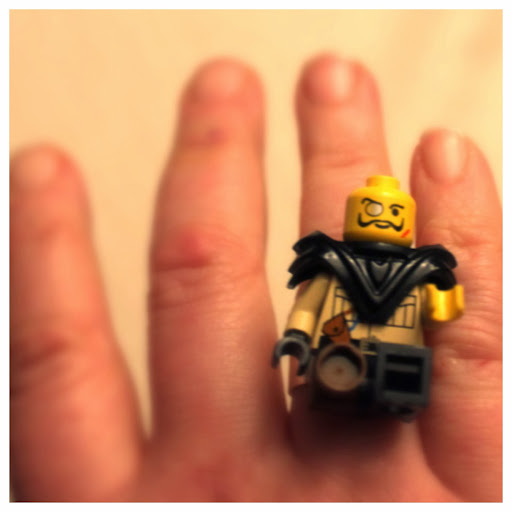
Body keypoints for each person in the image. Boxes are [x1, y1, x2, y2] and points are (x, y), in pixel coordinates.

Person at [10, 55, 502, 501]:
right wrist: (297, 336)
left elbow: (440, 313)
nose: (382, 217)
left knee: (399, 376)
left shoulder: (416, 273)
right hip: (345, 355)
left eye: (389, 213)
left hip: (396, 360)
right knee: (340, 371)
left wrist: (452, 306)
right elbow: (311, 305)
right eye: (375, 210)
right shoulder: (334, 266)